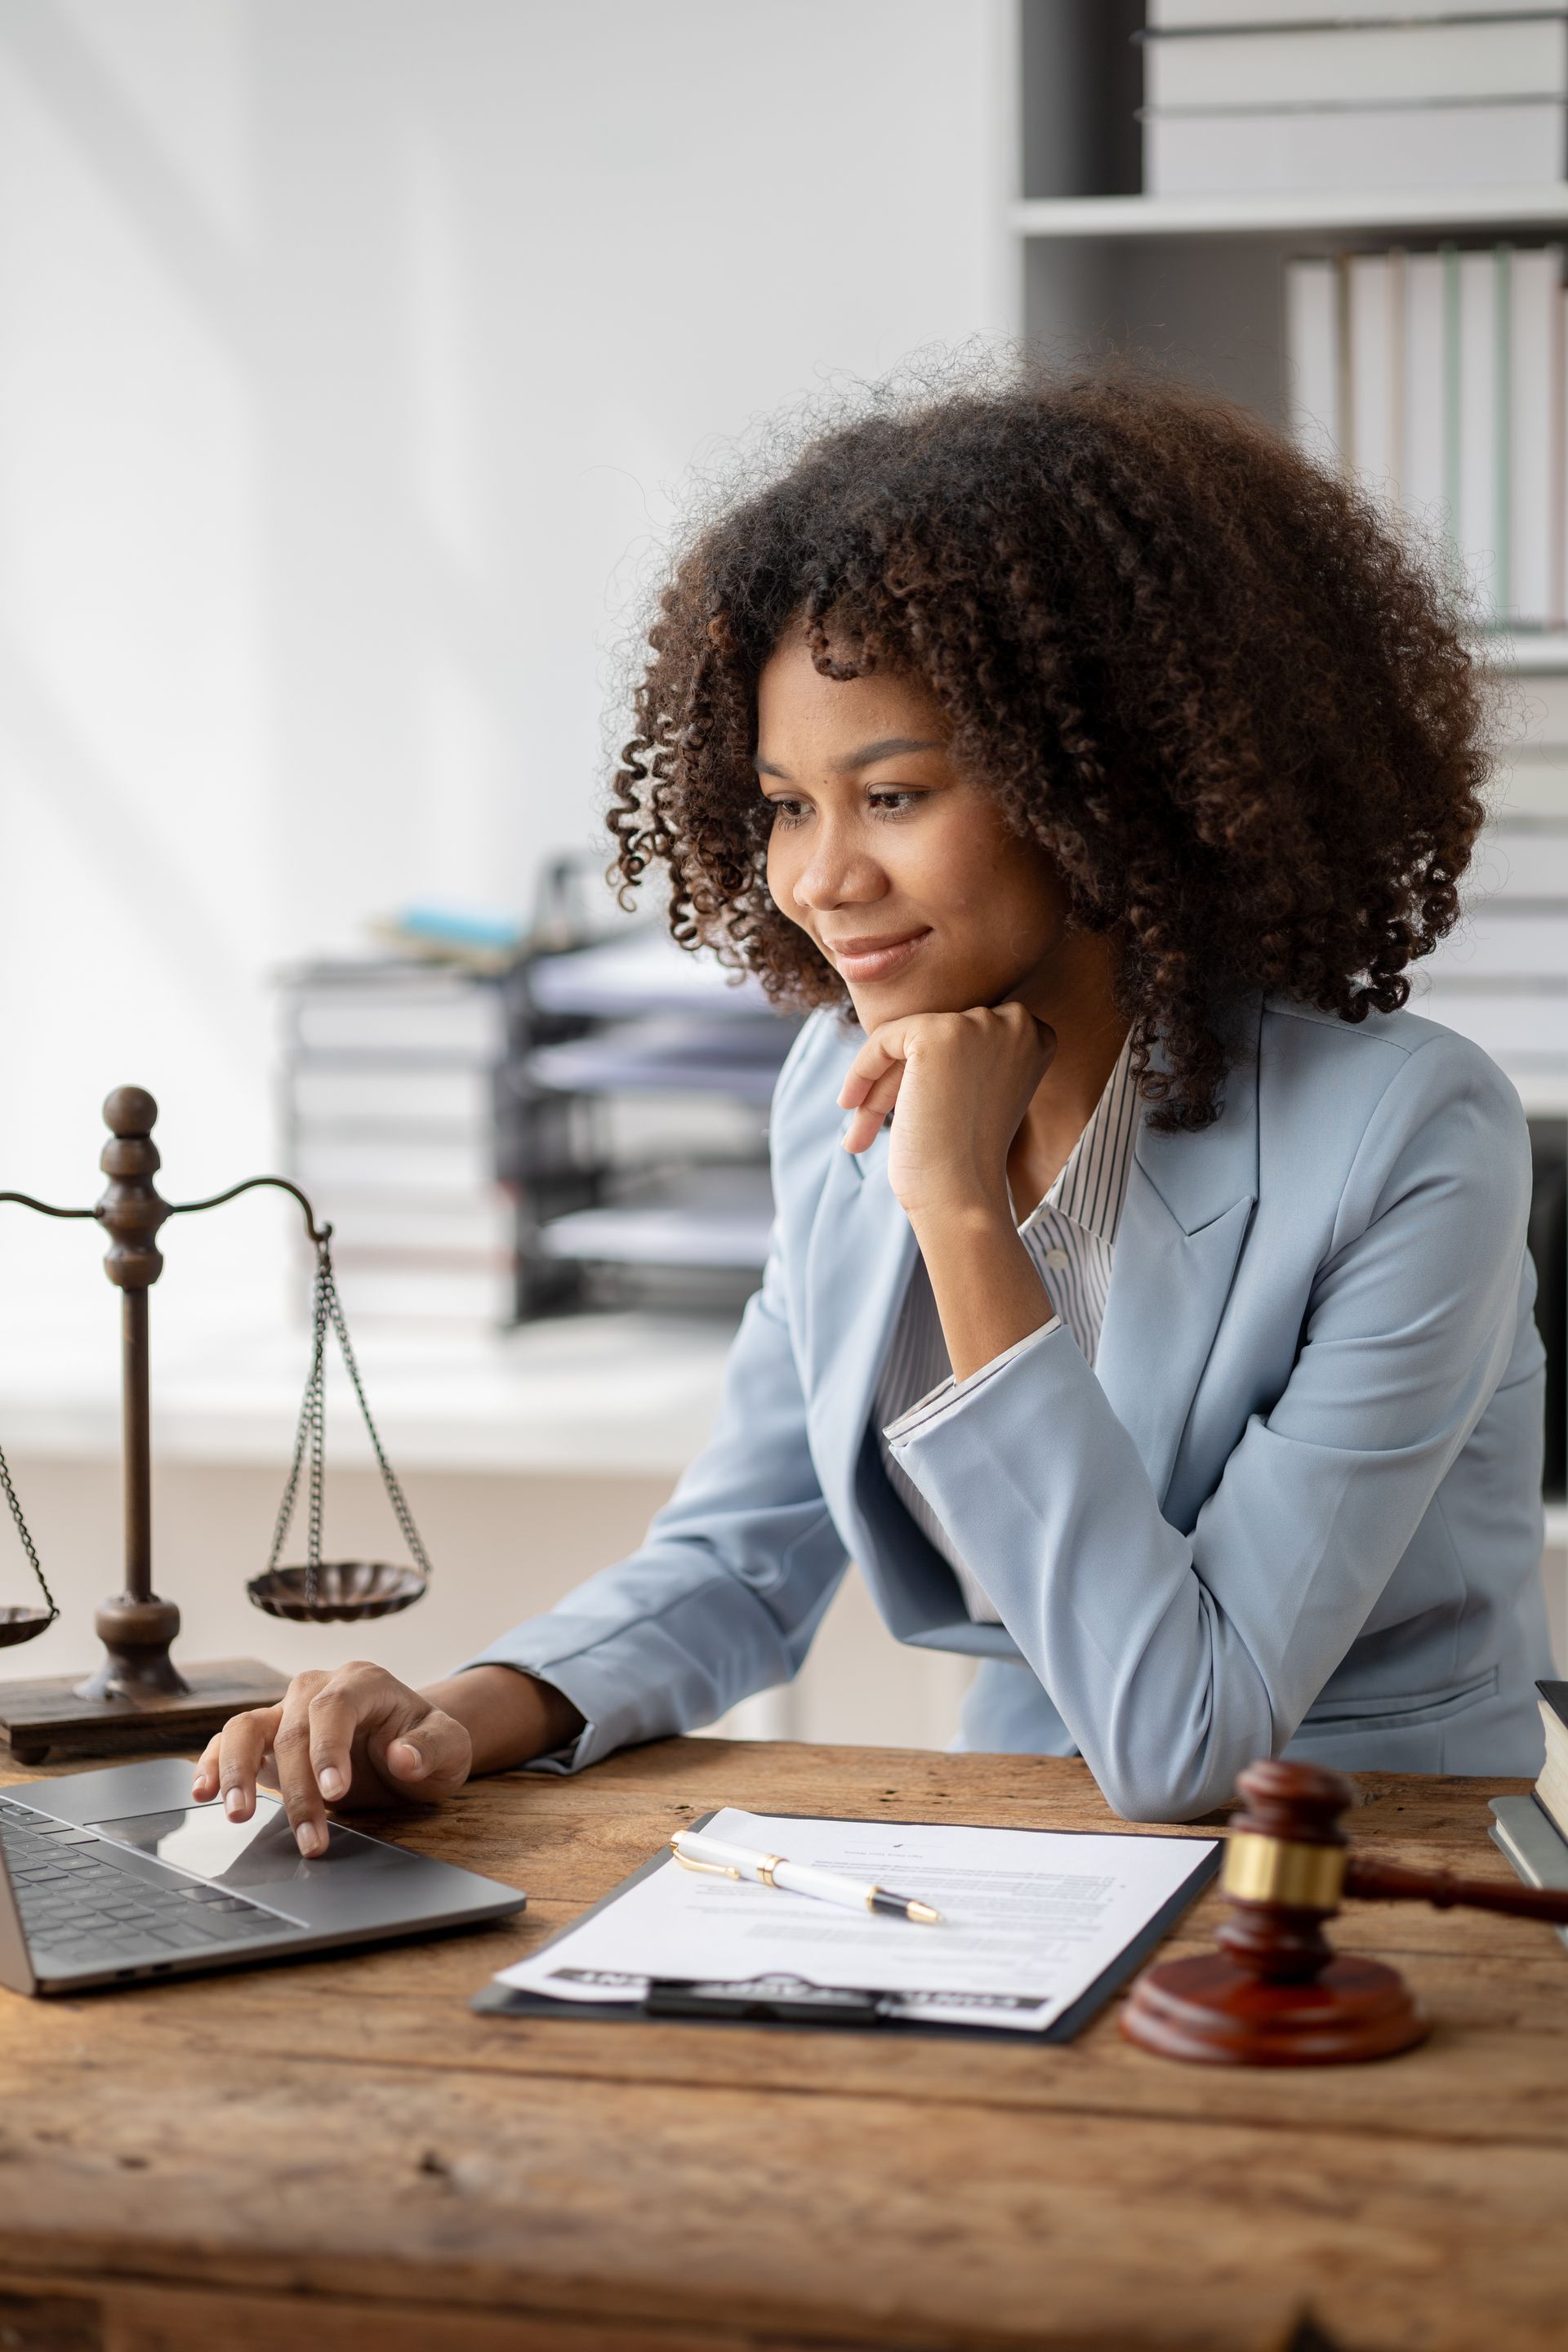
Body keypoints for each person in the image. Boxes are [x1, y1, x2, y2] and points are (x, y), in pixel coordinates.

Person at [197, 363, 1551, 1848]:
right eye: (787, 804)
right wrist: (456, 1714)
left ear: (1101, 781)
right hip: (1026, 1827)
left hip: (1375, 1856)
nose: (821, 880)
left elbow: (1190, 1734)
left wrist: (963, 1210)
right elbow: (745, 1552)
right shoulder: (831, 1088)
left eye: (893, 796)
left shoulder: (1411, 1139)